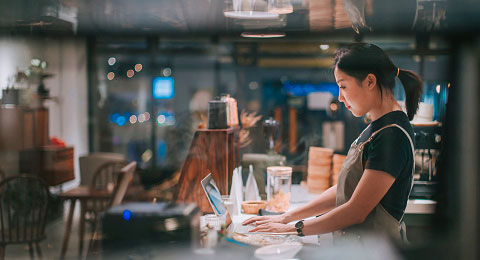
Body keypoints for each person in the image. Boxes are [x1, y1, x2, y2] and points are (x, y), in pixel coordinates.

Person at [242, 43, 423, 243]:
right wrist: (286, 217)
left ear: (370, 81)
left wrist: (294, 228)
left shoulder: (392, 136)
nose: (339, 97)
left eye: (343, 86)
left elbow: (356, 211)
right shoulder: (378, 127)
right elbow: (344, 190)